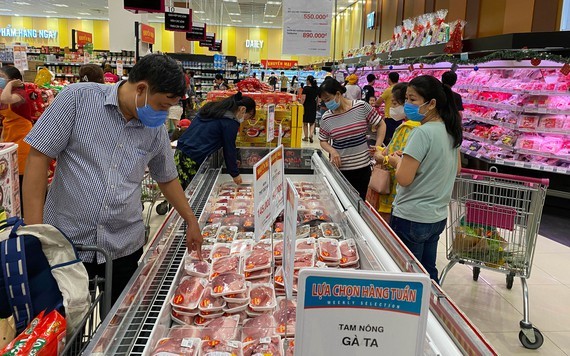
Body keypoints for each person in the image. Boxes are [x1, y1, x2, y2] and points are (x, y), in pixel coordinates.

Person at [22, 53, 203, 304]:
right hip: (66, 244)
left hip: (123, 247)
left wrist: (190, 220)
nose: (163, 115)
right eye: (161, 106)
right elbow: (38, 157)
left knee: (117, 327)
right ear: (141, 89)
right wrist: (36, 234)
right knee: (67, 329)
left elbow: (167, 178)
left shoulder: (155, 130)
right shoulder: (77, 99)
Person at [388, 75, 463, 281]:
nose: (407, 105)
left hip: (411, 215)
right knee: (428, 272)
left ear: (431, 103)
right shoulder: (451, 129)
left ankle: (412, 313)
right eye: (406, 100)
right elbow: (456, 169)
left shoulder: (421, 133)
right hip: (436, 216)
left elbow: (404, 179)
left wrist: (397, 163)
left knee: (407, 277)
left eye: (413, 100)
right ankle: (432, 311)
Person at [318, 78, 386, 200]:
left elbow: (381, 124)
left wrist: (378, 147)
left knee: (361, 204)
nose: (327, 103)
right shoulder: (326, 118)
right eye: (324, 101)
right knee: (343, 204)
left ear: (338, 94)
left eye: (328, 99)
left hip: (363, 167)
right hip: (340, 170)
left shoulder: (360, 107)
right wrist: (332, 151)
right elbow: (323, 140)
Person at [175, 92, 255, 189]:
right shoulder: (230, 122)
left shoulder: (213, 108)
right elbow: (229, 147)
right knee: (187, 192)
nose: (246, 120)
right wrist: (235, 174)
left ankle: (172, 203)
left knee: (178, 188)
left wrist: (234, 160)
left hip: (181, 150)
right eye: (248, 116)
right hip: (193, 157)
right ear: (243, 109)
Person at [372, 83, 420, 222]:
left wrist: (383, 159)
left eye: (394, 103)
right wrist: (381, 150)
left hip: (396, 191)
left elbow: (403, 160)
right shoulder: (410, 126)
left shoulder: (410, 129)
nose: (392, 108)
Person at [0, 66, 34, 216]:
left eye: (2, 76)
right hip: (9, 136)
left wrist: (11, 84)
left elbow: (5, 99)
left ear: (13, 80)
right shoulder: (6, 92)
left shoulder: (21, 94)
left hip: (23, 140)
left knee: (20, 178)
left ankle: (26, 214)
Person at [377, 72, 400, 145]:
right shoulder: (401, 89)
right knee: (397, 137)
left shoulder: (389, 90)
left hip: (389, 117)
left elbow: (378, 102)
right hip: (400, 116)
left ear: (389, 79)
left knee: (388, 138)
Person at [300, 75, 318, 143]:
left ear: (308, 81)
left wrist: (301, 104)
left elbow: (303, 98)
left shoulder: (306, 88)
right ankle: (311, 135)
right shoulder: (316, 88)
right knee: (312, 122)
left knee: (305, 122)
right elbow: (318, 99)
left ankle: (306, 137)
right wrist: (316, 105)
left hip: (306, 106)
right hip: (313, 105)